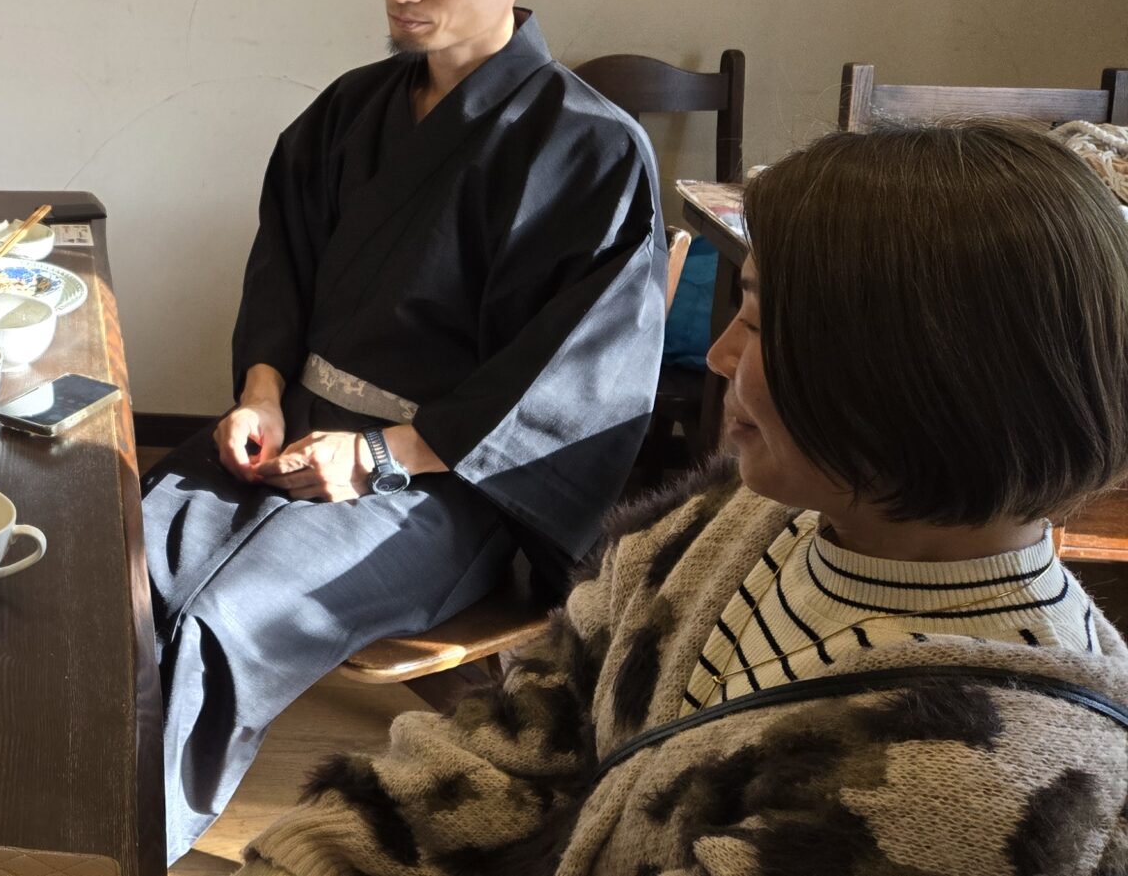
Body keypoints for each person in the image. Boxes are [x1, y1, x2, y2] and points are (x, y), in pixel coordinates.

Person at [247, 121, 1128, 874]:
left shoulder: (966, 784)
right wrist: (311, 852)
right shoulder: (732, 522)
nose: (717, 356)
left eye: (759, 321)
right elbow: (514, 742)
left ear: (909, 374)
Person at [143, 0, 667, 857]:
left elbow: (574, 379)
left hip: (447, 480)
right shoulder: (349, 111)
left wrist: (383, 454)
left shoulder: (593, 149)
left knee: (222, 620)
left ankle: (131, 840)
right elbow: (283, 266)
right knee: (124, 568)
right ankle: (56, 816)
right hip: (293, 431)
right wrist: (260, 392)